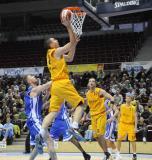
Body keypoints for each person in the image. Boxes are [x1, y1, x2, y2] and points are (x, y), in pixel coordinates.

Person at [36, 13, 84, 155]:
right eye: (54, 39)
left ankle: (41, 132)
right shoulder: (55, 51)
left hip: (55, 86)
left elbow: (70, 57)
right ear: (51, 44)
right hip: (62, 83)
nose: (56, 40)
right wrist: (69, 27)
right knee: (80, 104)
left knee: (53, 112)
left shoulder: (55, 55)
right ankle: (74, 127)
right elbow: (69, 44)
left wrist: (74, 43)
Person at [24, 75, 57, 160]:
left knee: (39, 145)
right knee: (49, 141)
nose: (34, 76)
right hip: (34, 120)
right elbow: (47, 85)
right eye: (31, 76)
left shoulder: (35, 92)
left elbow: (40, 105)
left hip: (37, 119)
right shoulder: (33, 89)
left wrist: (48, 93)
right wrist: (58, 77)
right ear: (29, 81)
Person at [85, 78, 115, 160]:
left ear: (95, 84)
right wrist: (84, 116)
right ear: (88, 84)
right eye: (90, 81)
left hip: (101, 115)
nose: (91, 82)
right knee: (95, 136)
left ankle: (107, 153)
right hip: (93, 116)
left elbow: (111, 98)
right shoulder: (87, 94)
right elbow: (88, 106)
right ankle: (106, 153)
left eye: (93, 81)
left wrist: (111, 108)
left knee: (100, 134)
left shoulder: (100, 91)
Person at [116, 93, 137, 160]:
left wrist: (135, 127)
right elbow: (119, 115)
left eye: (128, 97)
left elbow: (136, 118)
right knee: (119, 139)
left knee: (133, 140)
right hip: (122, 124)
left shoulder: (133, 108)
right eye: (126, 97)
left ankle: (134, 154)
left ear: (131, 99)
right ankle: (118, 154)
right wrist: (118, 123)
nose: (126, 98)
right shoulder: (122, 106)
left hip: (130, 125)